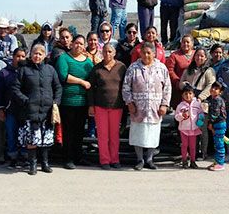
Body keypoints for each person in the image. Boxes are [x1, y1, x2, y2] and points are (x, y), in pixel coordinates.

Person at [12, 44, 62, 175]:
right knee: (32, 139)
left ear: (44, 55)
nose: (37, 56)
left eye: (40, 54)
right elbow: (15, 89)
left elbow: (58, 87)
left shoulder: (50, 70)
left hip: (47, 111)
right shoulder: (23, 70)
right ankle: (32, 164)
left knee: (45, 139)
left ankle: (45, 163)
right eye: (35, 53)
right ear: (31, 55)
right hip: (30, 111)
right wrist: (25, 100)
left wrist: (56, 102)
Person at [122, 42, 171, 170]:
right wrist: (129, 102)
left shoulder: (161, 68)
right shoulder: (133, 68)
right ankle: (139, 160)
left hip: (155, 108)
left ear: (154, 54)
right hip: (138, 108)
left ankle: (149, 159)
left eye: (149, 53)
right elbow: (126, 87)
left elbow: (167, 88)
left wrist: (164, 104)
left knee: (152, 134)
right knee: (138, 134)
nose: (146, 55)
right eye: (144, 52)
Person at [55, 34, 94, 169]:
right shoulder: (64, 58)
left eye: (81, 44)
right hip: (67, 102)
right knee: (68, 131)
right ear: (71, 44)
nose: (79, 45)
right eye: (76, 43)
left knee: (79, 131)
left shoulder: (88, 62)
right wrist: (82, 81)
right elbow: (63, 76)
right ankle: (68, 158)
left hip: (83, 103)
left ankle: (78, 156)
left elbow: (92, 79)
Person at [87, 43, 127, 170]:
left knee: (114, 135)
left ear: (114, 53)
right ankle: (104, 160)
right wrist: (91, 105)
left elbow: (125, 86)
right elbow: (90, 88)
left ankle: (114, 159)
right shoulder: (97, 69)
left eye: (110, 51)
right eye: (105, 52)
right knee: (103, 135)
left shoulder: (121, 67)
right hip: (100, 105)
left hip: (117, 105)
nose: (107, 54)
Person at [179, 47, 216, 159]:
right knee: (191, 129)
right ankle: (192, 152)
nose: (199, 58)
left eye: (202, 56)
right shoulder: (188, 70)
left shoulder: (209, 71)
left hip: (201, 105)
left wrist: (200, 97)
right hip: (188, 105)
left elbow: (211, 85)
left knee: (201, 128)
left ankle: (203, 152)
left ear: (205, 57)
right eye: (197, 55)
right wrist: (185, 85)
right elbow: (181, 83)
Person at [0, 47, 28, 168]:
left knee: (25, 134)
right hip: (10, 110)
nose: (20, 59)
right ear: (13, 57)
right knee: (11, 134)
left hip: (25, 110)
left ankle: (25, 157)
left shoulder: (28, 71)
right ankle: (13, 158)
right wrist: (1, 109)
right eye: (18, 56)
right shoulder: (5, 72)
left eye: (23, 56)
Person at [174, 84, 203, 169]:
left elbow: (201, 113)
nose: (188, 96)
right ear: (182, 95)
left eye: (190, 93)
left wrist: (200, 120)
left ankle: (193, 161)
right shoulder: (180, 106)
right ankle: (184, 160)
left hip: (194, 129)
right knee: (184, 145)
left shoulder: (197, 104)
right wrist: (182, 116)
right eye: (186, 94)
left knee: (193, 146)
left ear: (193, 94)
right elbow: (176, 117)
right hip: (184, 129)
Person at [166, 34, 195, 108]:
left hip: (195, 87)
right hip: (179, 89)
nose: (185, 44)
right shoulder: (174, 55)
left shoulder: (196, 54)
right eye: (183, 42)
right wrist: (178, 82)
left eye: (188, 42)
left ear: (192, 43)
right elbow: (170, 70)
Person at [207, 81, 227, 171]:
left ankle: (220, 163)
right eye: (212, 87)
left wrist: (210, 123)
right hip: (217, 123)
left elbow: (215, 113)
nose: (213, 90)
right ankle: (217, 161)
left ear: (220, 91)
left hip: (219, 123)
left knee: (219, 144)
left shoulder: (217, 100)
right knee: (217, 143)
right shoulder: (213, 98)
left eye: (216, 89)